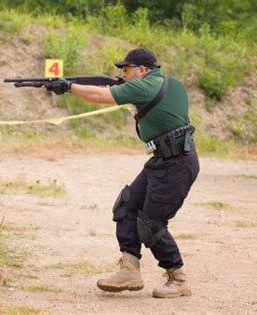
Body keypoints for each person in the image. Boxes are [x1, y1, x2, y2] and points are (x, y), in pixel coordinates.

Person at [45, 48, 200, 298]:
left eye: (127, 70)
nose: (123, 75)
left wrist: (69, 87)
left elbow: (98, 95)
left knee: (151, 223)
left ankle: (178, 278)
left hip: (176, 164)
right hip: (163, 159)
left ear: (142, 70)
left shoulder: (145, 86)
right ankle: (129, 269)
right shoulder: (168, 83)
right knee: (127, 205)